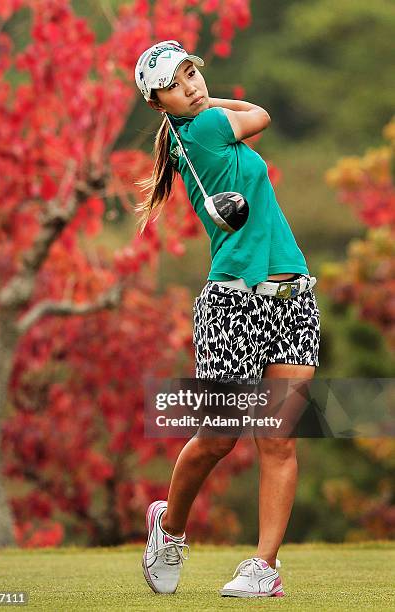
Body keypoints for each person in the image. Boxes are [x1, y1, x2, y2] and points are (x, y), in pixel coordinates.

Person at [134, 40, 320, 598]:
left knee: (279, 439)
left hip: (291, 289)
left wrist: (206, 98)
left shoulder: (197, 129)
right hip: (234, 302)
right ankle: (169, 529)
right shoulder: (206, 129)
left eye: (191, 72)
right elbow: (259, 114)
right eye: (175, 82)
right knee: (219, 438)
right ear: (158, 102)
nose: (189, 84)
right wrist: (214, 101)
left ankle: (265, 568)